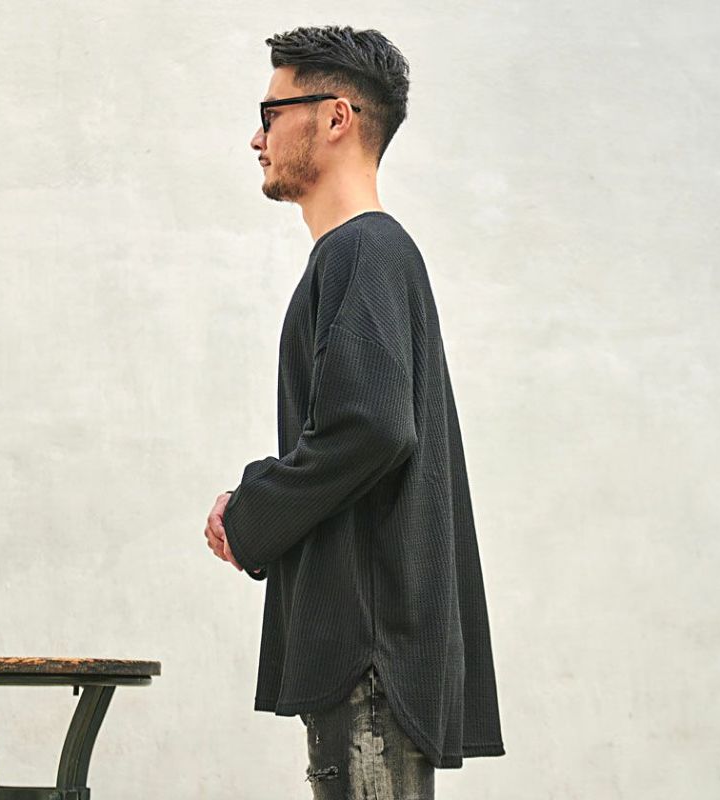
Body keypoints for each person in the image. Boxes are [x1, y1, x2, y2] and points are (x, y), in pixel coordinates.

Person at [203, 24, 505, 799]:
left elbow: (370, 425)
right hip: (375, 661)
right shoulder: (365, 254)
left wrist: (253, 509)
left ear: (335, 117)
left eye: (271, 113)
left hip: (371, 665)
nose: (256, 137)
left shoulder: (361, 252)